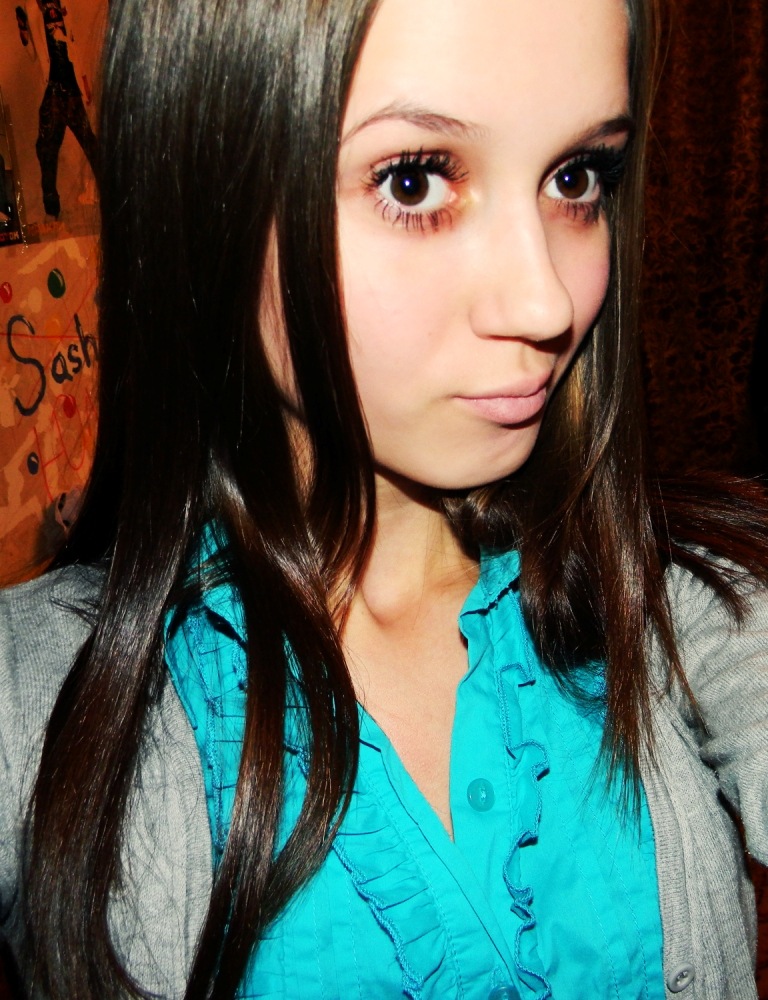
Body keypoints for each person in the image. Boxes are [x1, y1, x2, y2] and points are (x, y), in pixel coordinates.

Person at [2, 0, 768, 997]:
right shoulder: (42, 696)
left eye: (576, 177)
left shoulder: (687, 605)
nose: (545, 301)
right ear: (206, 186)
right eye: (415, 180)